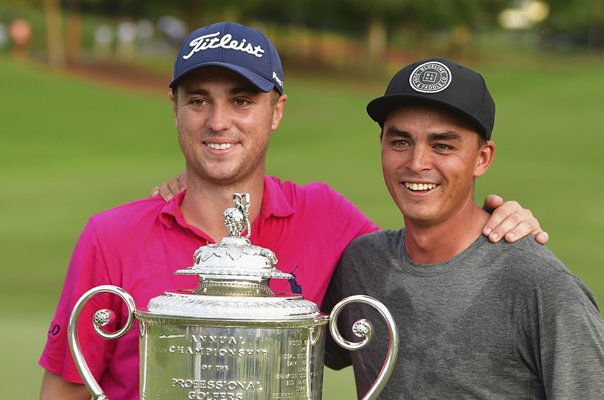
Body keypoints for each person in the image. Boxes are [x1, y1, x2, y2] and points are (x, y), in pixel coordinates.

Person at [38, 22, 546, 400]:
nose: (218, 122)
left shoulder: (328, 217)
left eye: (241, 101)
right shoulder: (112, 235)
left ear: (276, 111)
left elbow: (423, 263)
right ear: (174, 107)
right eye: (198, 101)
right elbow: (65, 392)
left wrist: (497, 221)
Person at [322, 58, 604, 399]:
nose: (417, 163)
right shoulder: (361, 264)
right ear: (381, 143)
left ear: (482, 158)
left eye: (443, 145)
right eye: (400, 142)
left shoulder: (541, 286)